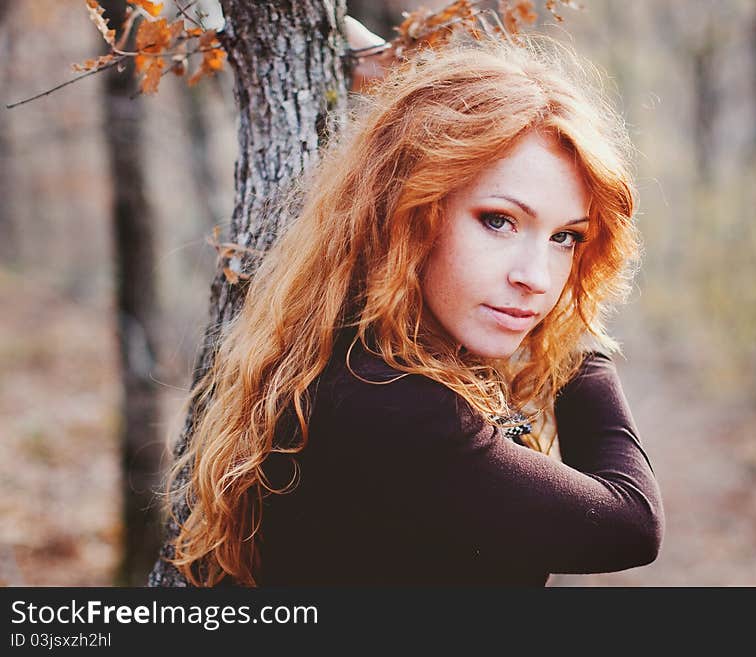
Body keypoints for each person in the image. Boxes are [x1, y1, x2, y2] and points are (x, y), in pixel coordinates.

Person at [164, 24, 664, 587]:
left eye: (565, 237)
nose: (536, 278)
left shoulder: (372, 357)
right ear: (408, 213)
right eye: (498, 220)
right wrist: (579, 335)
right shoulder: (390, 403)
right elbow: (629, 523)